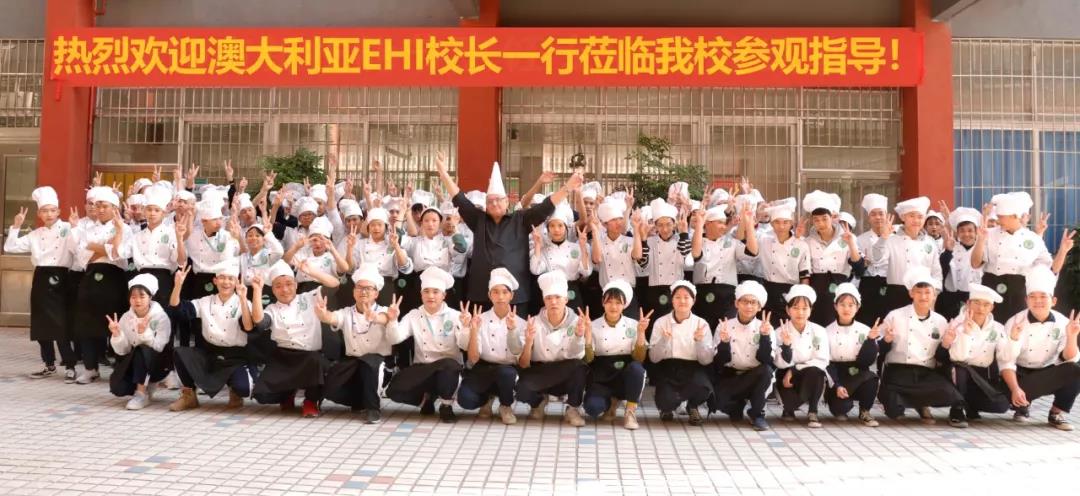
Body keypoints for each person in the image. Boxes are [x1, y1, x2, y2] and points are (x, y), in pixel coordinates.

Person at [437, 152, 583, 313]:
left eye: (498, 200)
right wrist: (443, 173)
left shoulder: (520, 219)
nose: (494, 203)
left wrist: (567, 187)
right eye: (490, 201)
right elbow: (459, 198)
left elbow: (546, 207)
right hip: (482, 293)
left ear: (507, 202)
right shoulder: (478, 219)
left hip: (516, 294)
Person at [4, 187, 79, 381]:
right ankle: (49, 364)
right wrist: (16, 226)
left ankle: (70, 365)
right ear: (39, 213)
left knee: (61, 324)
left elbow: (78, 250)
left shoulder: (67, 228)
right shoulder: (35, 234)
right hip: (40, 277)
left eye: (52, 210)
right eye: (45, 211)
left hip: (61, 277)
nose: (49, 214)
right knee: (40, 324)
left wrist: (75, 228)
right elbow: (10, 247)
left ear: (58, 211)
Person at [314, 263, 404, 424]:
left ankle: (373, 408)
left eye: (368, 288)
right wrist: (322, 314)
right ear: (353, 291)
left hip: (379, 364)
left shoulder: (385, 311)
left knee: (370, 363)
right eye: (359, 287)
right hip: (353, 363)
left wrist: (374, 317)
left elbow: (384, 319)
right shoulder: (346, 312)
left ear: (376, 293)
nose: (363, 291)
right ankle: (359, 401)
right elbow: (332, 318)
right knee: (331, 386)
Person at [250, 260, 340, 418]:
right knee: (263, 396)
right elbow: (260, 321)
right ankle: (287, 394)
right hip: (284, 358)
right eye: (278, 286)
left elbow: (334, 285)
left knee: (316, 362)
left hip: (310, 356)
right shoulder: (272, 309)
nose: (284, 289)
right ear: (273, 290)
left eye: (288, 284)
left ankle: (310, 401)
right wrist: (257, 291)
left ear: (296, 285)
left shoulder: (310, 297)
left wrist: (312, 272)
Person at [167, 262, 258, 412]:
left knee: (244, 388)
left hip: (236, 357)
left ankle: (235, 392)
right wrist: (178, 285)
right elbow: (177, 310)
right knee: (180, 353)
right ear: (215, 281)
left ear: (236, 282)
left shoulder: (244, 302)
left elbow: (248, 327)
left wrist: (242, 299)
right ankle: (189, 395)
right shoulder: (205, 301)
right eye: (222, 278)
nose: (226, 282)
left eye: (230, 278)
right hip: (210, 354)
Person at [877, 267, 963, 423]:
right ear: (911, 293)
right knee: (893, 411)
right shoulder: (895, 316)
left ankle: (922, 404)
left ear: (934, 295)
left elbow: (941, 358)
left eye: (927, 292)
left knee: (952, 395)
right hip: (898, 371)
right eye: (919, 292)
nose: (923, 297)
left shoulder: (940, 321)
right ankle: (916, 402)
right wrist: (886, 340)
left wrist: (945, 344)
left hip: (925, 373)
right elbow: (879, 349)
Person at [999, 267, 1080, 431]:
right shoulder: (1014, 322)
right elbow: (1006, 361)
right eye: (1033, 297)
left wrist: (1072, 336)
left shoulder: (1063, 322)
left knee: (1075, 370)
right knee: (999, 402)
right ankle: (1022, 404)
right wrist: (1015, 389)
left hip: (1046, 372)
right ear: (1026, 300)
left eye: (1043, 296)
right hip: (1019, 374)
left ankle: (1056, 413)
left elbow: (1069, 359)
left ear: (1053, 301)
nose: (1038, 301)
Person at [384, 267, 466, 423]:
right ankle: (426, 400)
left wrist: (467, 329)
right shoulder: (414, 315)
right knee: (393, 391)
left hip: (447, 372)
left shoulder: (455, 316)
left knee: (449, 365)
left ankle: (446, 405)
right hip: (422, 369)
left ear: (444, 295)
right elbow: (395, 339)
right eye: (426, 291)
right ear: (421, 294)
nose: (431, 296)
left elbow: (464, 345)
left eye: (435, 292)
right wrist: (393, 320)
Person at [72, 186, 132, 385]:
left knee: (116, 324)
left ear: (115, 208)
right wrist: (107, 247)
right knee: (87, 324)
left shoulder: (125, 229)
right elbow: (82, 256)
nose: (99, 209)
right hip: (90, 277)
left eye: (104, 206)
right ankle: (90, 369)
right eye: (97, 206)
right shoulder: (86, 229)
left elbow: (119, 254)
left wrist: (98, 247)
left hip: (114, 279)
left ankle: (122, 369)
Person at [515, 271, 590, 427]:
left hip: (565, 373)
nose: (553, 302)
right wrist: (528, 342)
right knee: (520, 389)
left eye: (557, 297)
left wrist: (578, 335)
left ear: (566, 299)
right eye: (549, 298)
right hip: (540, 372)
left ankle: (573, 408)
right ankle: (538, 402)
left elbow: (577, 355)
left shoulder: (577, 322)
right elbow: (523, 364)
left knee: (580, 367)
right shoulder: (533, 322)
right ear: (544, 300)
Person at [456, 268, 526, 425]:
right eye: (495, 292)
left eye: (504, 292)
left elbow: (519, 356)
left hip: (508, 371)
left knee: (506, 373)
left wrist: (512, 329)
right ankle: (486, 400)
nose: (500, 297)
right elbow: (473, 359)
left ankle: (505, 406)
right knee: (465, 400)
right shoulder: (479, 319)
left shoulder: (521, 323)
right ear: (489, 295)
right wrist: (473, 330)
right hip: (483, 369)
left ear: (511, 295)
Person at [971, 192, 1053, 322]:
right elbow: (975, 264)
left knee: (1017, 324)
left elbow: (1047, 266)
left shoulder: (1033, 238)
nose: (998, 221)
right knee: (991, 324)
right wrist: (980, 240)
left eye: (1001, 217)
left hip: (1019, 289)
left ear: (1015, 216)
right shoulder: (988, 234)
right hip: (991, 285)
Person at [582, 279, 651, 430]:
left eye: (618, 302)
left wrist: (641, 333)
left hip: (625, 377)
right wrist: (587, 334)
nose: (613, 307)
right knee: (592, 408)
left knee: (637, 369)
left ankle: (630, 411)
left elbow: (639, 358)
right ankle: (611, 404)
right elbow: (588, 359)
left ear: (624, 305)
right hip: (602, 377)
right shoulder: (593, 325)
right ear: (603, 303)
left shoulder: (634, 325)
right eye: (609, 302)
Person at [708, 280, 776, 431]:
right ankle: (736, 406)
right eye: (744, 301)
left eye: (753, 302)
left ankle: (757, 414)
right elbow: (718, 362)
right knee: (715, 402)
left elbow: (767, 360)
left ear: (759, 306)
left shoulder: (765, 327)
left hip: (754, 377)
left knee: (766, 371)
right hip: (731, 376)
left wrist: (765, 337)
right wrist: (724, 343)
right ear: (736, 303)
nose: (748, 306)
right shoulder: (724, 325)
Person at [648, 280, 714, 426]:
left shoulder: (701, 324)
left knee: (704, 388)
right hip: (668, 368)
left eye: (686, 297)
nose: (682, 301)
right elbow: (653, 358)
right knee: (666, 402)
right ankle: (667, 407)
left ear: (693, 300)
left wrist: (699, 341)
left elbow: (706, 360)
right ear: (672, 300)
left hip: (693, 367)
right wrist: (664, 340)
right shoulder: (661, 322)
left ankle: (692, 406)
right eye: (677, 297)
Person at [945, 284, 1010, 427]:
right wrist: (966, 333)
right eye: (977, 303)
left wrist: (1014, 340)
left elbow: (1005, 357)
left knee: (1001, 406)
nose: (981, 308)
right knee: (960, 368)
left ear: (992, 307)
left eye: (986, 305)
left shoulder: (998, 328)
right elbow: (957, 357)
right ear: (968, 303)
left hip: (982, 375)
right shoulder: (956, 324)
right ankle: (957, 409)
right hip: (959, 373)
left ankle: (970, 405)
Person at [107, 274, 172, 410]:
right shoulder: (126, 317)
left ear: (150, 297)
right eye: (133, 297)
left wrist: (143, 333)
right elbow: (123, 351)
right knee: (118, 388)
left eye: (142, 296)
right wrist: (117, 335)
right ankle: (145, 385)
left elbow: (159, 347)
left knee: (142, 349)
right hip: (136, 363)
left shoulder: (161, 317)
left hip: (158, 363)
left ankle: (141, 393)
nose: (137, 301)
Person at [802, 191, 864, 326]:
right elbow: (804, 271)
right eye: (816, 220)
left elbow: (859, 269)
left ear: (832, 218)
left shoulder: (847, 238)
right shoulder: (807, 242)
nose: (821, 223)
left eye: (825, 219)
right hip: (816, 290)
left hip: (840, 289)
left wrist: (851, 244)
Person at [872, 196, 942, 315]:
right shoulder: (891, 239)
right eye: (912, 216)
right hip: (896, 294)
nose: (916, 220)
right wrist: (883, 238)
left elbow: (936, 273)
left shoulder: (930, 242)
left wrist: (934, 295)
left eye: (920, 217)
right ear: (903, 217)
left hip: (923, 295)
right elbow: (877, 258)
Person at [772, 284, 830, 428]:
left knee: (817, 372)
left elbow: (822, 360)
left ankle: (813, 411)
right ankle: (788, 409)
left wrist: (795, 369)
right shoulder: (779, 332)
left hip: (809, 374)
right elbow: (778, 363)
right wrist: (786, 346)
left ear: (811, 310)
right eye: (796, 308)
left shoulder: (819, 331)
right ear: (788, 310)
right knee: (790, 404)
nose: (800, 312)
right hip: (785, 376)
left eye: (805, 308)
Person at [691, 205, 758, 329]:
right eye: (720, 223)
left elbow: (753, 251)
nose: (724, 226)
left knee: (726, 331)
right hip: (702, 294)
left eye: (724, 223)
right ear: (708, 224)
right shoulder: (697, 241)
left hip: (727, 295)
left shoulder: (731, 242)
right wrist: (699, 224)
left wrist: (749, 224)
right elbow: (695, 253)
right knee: (703, 331)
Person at [824, 283, 881, 427]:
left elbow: (866, 362)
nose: (846, 309)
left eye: (851, 305)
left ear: (858, 307)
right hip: (837, 375)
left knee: (872, 378)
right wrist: (837, 385)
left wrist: (870, 340)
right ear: (835, 306)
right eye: (842, 304)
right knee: (840, 409)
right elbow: (826, 363)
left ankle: (865, 411)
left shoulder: (865, 330)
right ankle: (840, 403)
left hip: (858, 374)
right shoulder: (826, 331)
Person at [636, 200, 693, 325]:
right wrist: (643, 239)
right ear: (655, 226)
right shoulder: (650, 242)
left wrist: (684, 234)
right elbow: (643, 264)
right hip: (654, 290)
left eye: (668, 224)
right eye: (660, 225)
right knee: (655, 324)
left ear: (674, 224)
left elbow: (689, 262)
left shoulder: (682, 239)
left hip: (676, 290)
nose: (665, 229)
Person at [754, 200, 809, 327]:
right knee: (767, 327)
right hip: (768, 290)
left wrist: (803, 297)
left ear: (791, 223)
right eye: (777, 222)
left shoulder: (801, 244)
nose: (781, 226)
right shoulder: (764, 241)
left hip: (791, 291)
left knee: (788, 328)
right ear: (771, 224)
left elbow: (804, 275)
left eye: (785, 222)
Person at [529, 204, 592, 311]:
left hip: (571, 293)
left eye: (560, 225)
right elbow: (535, 270)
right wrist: (538, 245)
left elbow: (586, 272)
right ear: (548, 229)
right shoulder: (544, 250)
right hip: (551, 293)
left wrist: (582, 247)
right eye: (552, 226)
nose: (556, 230)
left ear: (566, 228)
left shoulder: (577, 247)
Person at [590, 199, 644, 317]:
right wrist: (595, 231)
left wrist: (636, 229)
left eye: (620, 219)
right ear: (605, 224)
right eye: (614, 220)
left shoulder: (629, 240)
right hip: (607, 293)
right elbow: (597, 259)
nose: (618, 223)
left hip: (628, 292)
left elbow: (638, 255)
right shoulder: (599, 242)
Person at [938, 207, 983, 320]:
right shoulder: (951, 246)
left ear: (976, 232)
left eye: (970, 230)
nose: (966, 234)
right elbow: (941, 270)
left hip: (975, 297)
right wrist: (948, 251)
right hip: (951, 298)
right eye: (962, 231)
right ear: (957, 233)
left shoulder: (981, 248)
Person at [855, 193, 892, 326]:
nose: (878, 217)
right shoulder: (860, 239)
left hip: (890, 285)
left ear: (887, 215)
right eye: (873, 214)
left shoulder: (897, 237)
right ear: (868, 218)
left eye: (881, 213)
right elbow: (859, 265)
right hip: (868, 286)